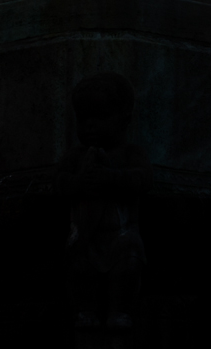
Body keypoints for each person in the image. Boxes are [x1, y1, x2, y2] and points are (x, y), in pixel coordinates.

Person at [55, 73, 152, 332]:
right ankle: (84, 311)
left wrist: (111, 178)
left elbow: (142, 179)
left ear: (124, 120)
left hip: (122, 233)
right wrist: (78, 183)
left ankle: (120, 311)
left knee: (128, 265)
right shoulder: (76, 157)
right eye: (84, 119)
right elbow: (60, 183)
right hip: (84, 235)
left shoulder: (129, 154)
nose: (90, 126)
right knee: (79, 267)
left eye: (100, 118)